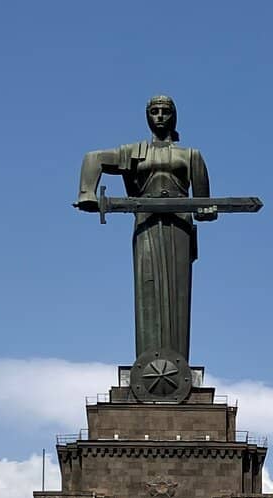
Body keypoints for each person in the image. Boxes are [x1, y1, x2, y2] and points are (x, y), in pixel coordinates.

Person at [75, 96, 216, 359]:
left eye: (165, 111)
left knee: (177, 292)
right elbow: (93, 158)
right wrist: (87, 193)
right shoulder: (134, 151)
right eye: (154, 111)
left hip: (179, 227)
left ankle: (176, 361)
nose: (160, 116)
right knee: (148, 286)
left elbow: (203, 203)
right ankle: (149, 360)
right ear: (147, 116)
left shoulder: (191, 156)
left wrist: (207, 210)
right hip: (146, 223)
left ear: (174, 117)